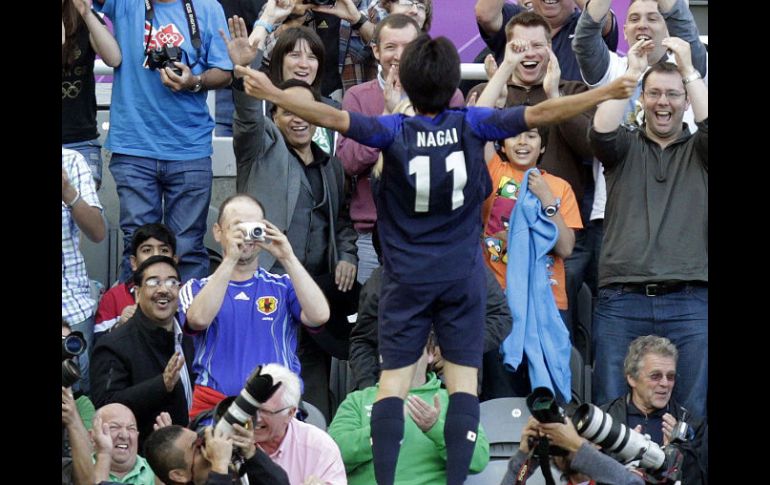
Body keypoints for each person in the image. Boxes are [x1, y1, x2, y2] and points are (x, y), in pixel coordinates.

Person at [236, 32, 635, 485]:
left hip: (405, 280)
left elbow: (333, 115)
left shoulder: (393, 130)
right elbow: (541, 112)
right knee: (463, 385)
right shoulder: (473, 124)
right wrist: (605, 91)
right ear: (452, 87)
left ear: (404, 82)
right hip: (462, 278)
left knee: (390, 388)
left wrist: (270, 91)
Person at [590, 36, 707, 418]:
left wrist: (690, 69)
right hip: (622, 298)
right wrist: (632, 72)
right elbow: (601, 130)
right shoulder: (624, 147)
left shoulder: (700, 151)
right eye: (654, 93)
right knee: (610, 411)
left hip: (689, 298)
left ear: (686, 101)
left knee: (693, 416)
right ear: (641, 99)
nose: (663, 102)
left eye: (673, 95)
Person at [93, 0, 232, 283]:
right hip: (133, 146)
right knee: (137, 244)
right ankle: (136, 323)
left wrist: (194, 80)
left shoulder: (207, 7)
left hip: (189, 147)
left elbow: (224, 71)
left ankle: (188, 324)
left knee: (188, 246)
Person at [335, 14, 465, 285]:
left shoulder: (449, 96)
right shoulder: (357, 96)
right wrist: (386, 118)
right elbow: (346, 162)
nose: (398, 55)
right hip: (372, 234)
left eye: (407, 46)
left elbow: (456, 158)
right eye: (390, 47)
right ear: (375, 50)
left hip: (435, 233)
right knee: (376, 319)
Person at [179, 194, 330, 418]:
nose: (246, 236)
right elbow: (198, 320)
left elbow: (319, 315)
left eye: (253, 227)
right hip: (215, 409)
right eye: (237, 227)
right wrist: (230, 259)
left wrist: (287, 256)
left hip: (276, 410)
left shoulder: (283, 285)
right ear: (218, 232)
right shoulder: (195, 287)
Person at [330, 335, 489, 484]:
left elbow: (478, 461)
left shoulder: (454, 401)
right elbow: (331, 456)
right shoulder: (358, 400)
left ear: (431, 354)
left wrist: (436, 428)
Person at [90, 256, 195, 451]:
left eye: (172, 282)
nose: (163, 289)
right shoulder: (114, 345)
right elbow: (106, 405)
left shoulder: (188, 337)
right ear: (137, 293)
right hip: (141, 463)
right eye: (154, 282)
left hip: (189, 452)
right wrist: (161, 384)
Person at [600, 336, 708, 485]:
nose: (665, 383)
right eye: (655, 376)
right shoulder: (605, 419)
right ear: (631, 378)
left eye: (670, 377)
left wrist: (679, 453)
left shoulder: (693, 426)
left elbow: (699, 480)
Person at [246, 363, 347, 484]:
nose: (256, 418)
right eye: (251, 406)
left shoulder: (319, 447)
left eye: (265, 411)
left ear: (290, 413)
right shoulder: (230, 440)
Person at [474, 0, 617, 81]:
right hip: (515, 121)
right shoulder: (516, 19)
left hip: (573, 122)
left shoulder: (588, 27)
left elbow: (601, 15)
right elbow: (485, 15)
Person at [62, 0, 122, 189]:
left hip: (81, 140)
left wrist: (87, 14)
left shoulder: (83, 16)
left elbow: (113, 58)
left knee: (86, 211)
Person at [63, 148, 107, 396]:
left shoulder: (71, 160)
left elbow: (98, 232)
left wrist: (68, 192)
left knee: (79, 405)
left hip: (69, 307)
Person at [501, 415, 645, 485]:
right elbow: (519, 479)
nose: (565, 442)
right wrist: (524, 456)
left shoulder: (616, 479)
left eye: (571, 434)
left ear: (597, 443)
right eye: (557, 437)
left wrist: (577, 447)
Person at [94, 223, 177, 339]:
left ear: (175, 260)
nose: (155, 256)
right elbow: (98, 345)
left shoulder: (185, 295)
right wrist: (120, 325)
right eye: (147, 250)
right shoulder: (113, 297)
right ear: (133, 262)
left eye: (164, 250)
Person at [144, 424, 290, 485]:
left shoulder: (228, 476)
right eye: (197, 446)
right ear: (179, 475)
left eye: (200, 437)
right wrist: (219, 465)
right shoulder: (221, 473)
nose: (208, 444)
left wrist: (251, 454)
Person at [90, 404, 157, 484]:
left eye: (131, 428)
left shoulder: (155, 470)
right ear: (92, 436)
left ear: (137, 436)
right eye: (114, 427)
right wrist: (104, 455)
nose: (124, 435)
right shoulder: (79, 469)